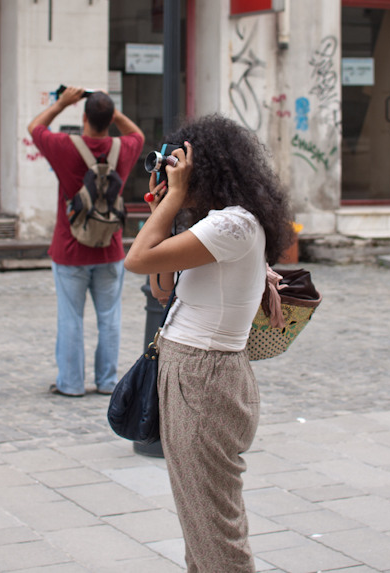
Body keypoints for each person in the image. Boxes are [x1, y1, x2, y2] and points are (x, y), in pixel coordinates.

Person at [124, 114, 295, 572]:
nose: (171, 176)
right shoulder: (218, 225)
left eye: (179, 167)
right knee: (201, 525)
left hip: (203, 379)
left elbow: (135, 260)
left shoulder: (231, 226)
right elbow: (161, 286)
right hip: (197, 374)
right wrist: (166, 209)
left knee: (216, 533)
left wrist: (173, 199)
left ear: (204, 169)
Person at [28, 86, 145, 397]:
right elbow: (138, 134)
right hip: (110, 247)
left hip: (70, 249)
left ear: (84, 117)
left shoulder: (64, 147)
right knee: (110, 318)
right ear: (110, 118)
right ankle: (107, 382)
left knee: (71, 318)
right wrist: (111, 109)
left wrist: (61, 104)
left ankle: (71, 384)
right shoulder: (123, 148)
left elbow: (34, 127)